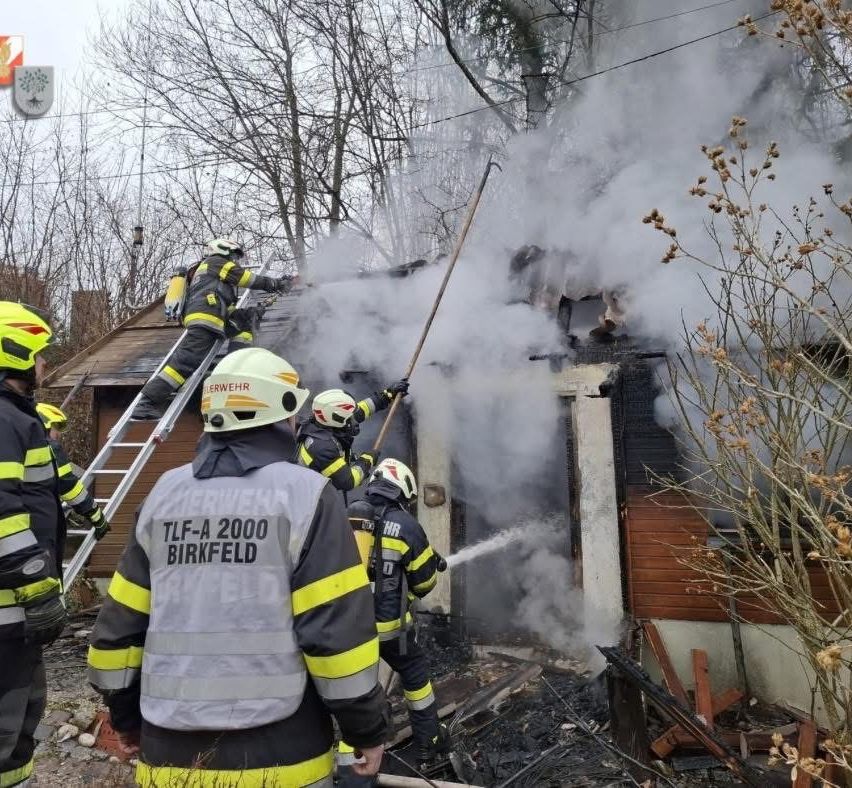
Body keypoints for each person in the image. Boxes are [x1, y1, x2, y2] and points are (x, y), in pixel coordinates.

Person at [88, 347, 388, 787]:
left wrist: (126, 716)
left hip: (168, 757)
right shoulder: (305, 495)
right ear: (282, 412)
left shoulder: (163, 495)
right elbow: (336, 637)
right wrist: (366, 729)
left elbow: (120, 627)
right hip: (284, 756)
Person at [0, 302, 68, 788]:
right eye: (40, 354)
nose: (45, 364)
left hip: (15, 615)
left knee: (19, 727)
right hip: (8, 606)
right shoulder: (5, 421)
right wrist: (34, 584)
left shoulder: (19, 420)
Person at [344, 459, 449, 775]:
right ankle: (428, 742)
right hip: (392, 633)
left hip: (350, 628)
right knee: (415, 677)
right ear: (403, 489)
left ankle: (349, 759)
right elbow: (424, 582)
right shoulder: (406, 526)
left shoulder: (347, 517)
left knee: (354, 688)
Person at [132, 237, 292, 420]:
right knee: (186, 361)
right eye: (233, 255)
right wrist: (276, 284)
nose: (235, 261)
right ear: (223, 251)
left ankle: (237, 368)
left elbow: (228, 310)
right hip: (206, 320)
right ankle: (146, 402)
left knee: (244, 326)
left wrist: (253, 313)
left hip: (213, 318)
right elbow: (246, 278)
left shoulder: (214, 279)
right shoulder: (216, 262)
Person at [296, 381, 409, 493]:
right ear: (336, 418)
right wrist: (366, 460)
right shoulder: (322, 447)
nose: (355, 421)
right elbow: (348, 481)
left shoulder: (324, 420)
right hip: (313, 498)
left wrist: (387, 395)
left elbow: (362, 409)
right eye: (350, 418)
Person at [35, 403, 109, 542]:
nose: (58, 435)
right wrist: (96, 516)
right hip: (37, 524)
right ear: (44, 425)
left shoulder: (13, 444)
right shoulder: (48, 447)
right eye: (56, 428)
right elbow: (69, 487)